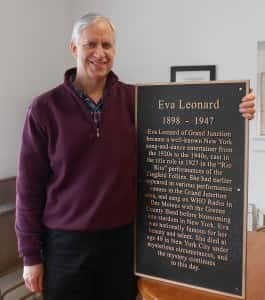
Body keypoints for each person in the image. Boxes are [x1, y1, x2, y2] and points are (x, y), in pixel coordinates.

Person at [15, 13, 255, 300]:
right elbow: (28, 189)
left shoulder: (138, 100)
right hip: (64, 245)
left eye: (107, 45)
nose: (100, 53)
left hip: (123, 243)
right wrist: (30, 257)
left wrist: (236, 109)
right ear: (74, 48)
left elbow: (190, 128)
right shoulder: (44, 109)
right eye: (91, 44)